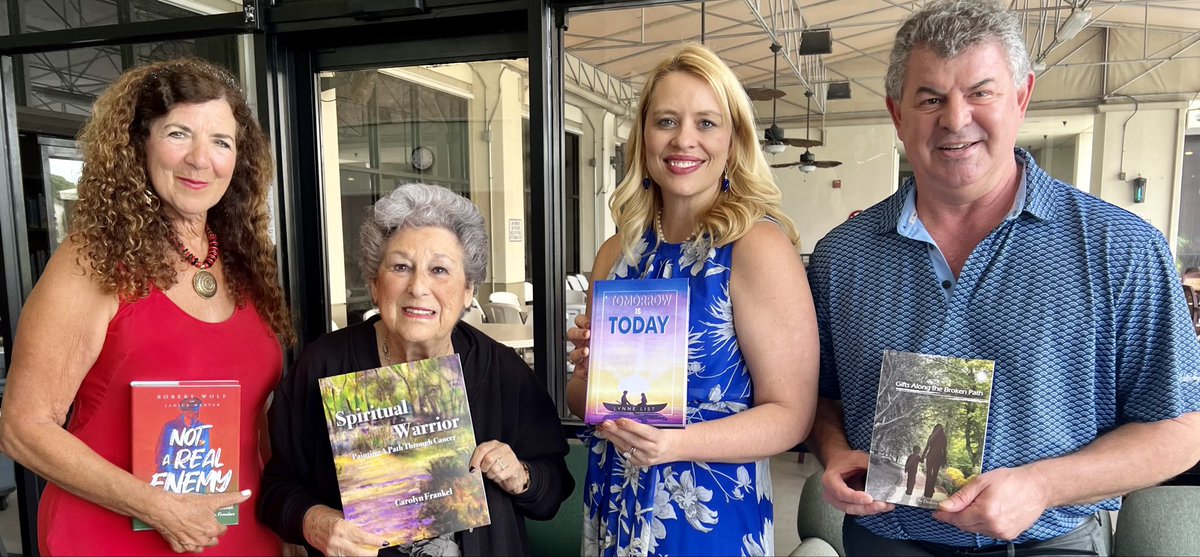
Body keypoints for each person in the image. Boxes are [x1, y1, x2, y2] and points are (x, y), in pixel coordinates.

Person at [804, 1, 1200, 555]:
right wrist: (834, 449)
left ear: (1021, 97)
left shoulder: (1118, 248)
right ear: (898, 114)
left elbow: (1181, 431)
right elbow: (820, 399)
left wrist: (1043, 486)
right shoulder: (843, 257)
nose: (955, 118)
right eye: (930, 98)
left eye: (980, 92)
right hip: (887, 540)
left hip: (1049, 544)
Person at [0, 58, 295, 555]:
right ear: (138, 145)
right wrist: (158, 507)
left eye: (221, 142)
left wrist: (283, 525)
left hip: (236, 533)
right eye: (179, 134)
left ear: (238, 160)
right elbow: (23, 428)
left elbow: (255, 421)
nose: (201, 159)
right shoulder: (92, 260)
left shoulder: (244, 263)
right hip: (113, 536)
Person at [565, 43, 819, 556]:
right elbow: (580, 402)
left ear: (733, 140)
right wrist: (590, 375)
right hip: (615, 496)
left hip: (706, 514)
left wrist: (675, 444)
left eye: (706, 122)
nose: (684, 140)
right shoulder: (617, 252)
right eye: (666, 121)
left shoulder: (756, 248)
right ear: (643, 136)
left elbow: (792, 415)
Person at [259, 183, 573, 556]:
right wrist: (315, 523)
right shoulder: (322, 366)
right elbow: (277, 490)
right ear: (376, 285)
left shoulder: (503, 372)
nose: (419, 287)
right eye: (401, 267)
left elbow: (551, 493)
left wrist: (519, 475)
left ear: (468, 290)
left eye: (440, 269)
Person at [920, 424, 947, 499]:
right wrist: (944, 460)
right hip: (938, 457)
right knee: (934, 475)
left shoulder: (931, 436)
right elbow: (944, 450)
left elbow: (926, 447)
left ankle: (926, 492)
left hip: (930, 456)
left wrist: (922, 457)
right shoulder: (943, 438)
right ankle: (930, 492)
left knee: (929, 474)